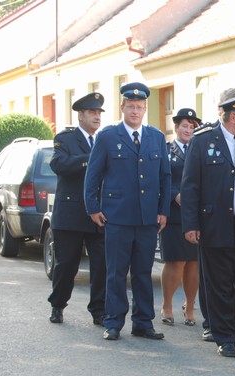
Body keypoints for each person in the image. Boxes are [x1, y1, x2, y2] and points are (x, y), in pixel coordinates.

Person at [181, 92, 235, 359]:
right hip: (217, 223)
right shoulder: (204, 140)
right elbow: (191, 185)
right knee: (220, 284)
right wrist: (191, 224)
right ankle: (225, 336)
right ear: (233, 117)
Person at [84, 82, 171, 341]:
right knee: (116, 272)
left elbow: (165, 177)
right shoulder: (108, 136)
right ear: (122, 107)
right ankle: (113, 322)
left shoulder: (155, 137)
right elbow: (93, 175)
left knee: (143, 272)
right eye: (131, 106)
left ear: (145, 109)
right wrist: (93, 207)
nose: (135, 111)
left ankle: (143, 322)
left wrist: (163, 210)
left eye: (139, 107)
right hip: (118, 216)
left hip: (147, 218)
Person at [48, 92, 107, 325]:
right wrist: (90, 158)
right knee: (67, 265)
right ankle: (58, 305)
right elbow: (58, 164)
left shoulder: (104, 139)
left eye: (98, 113)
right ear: (80, 115)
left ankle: (99, 311)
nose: (96, 117)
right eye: (92, 113)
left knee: (101, 265)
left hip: (98, 214)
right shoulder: (66, 138)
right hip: (71, 214)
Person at [159, 108, 201, 326]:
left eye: (192, 127)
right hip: (174, 215)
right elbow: (162, 178)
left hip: (195, 215)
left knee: (193, 264)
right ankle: (167, 305)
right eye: (184, 126)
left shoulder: (200, 149)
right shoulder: (166, 150)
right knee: (175, 262)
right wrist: (175, 194)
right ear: (176, 128)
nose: (188, 130)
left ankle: (191, 306)